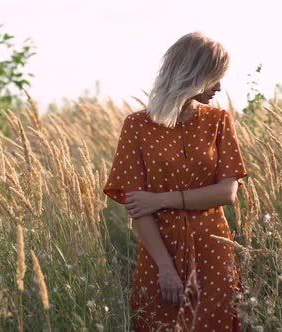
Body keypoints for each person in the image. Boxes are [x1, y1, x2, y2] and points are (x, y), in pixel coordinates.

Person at [103, 31, 249, 331]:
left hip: (213, 251)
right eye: (213, 78)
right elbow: (136, 206)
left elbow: (227, 192)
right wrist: (166, 270)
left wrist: (161, 200)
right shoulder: (137, 127)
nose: (219, 87)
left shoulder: (219, 121)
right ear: (191, 75)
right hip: (159, 256)